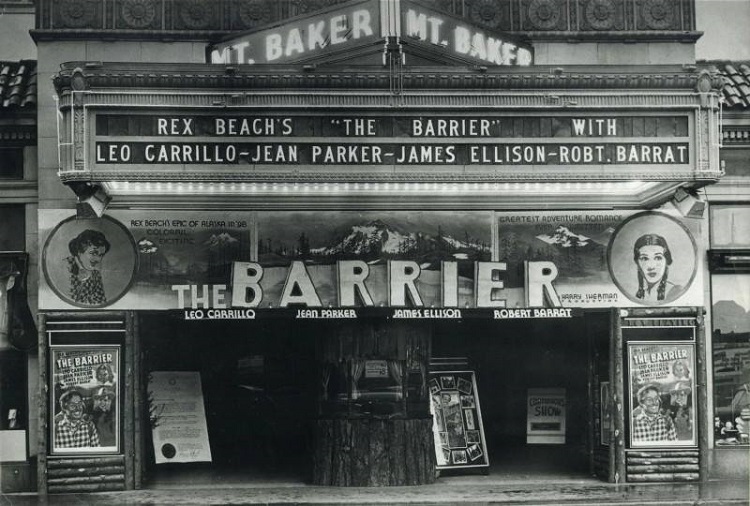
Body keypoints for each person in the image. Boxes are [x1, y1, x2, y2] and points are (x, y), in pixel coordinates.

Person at [632, 234, 683, 303]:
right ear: (637, 263)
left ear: (666, 261)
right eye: (644, 258)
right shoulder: (641, 293)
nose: (651, 266)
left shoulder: (676, 292)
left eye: (658, 258)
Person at [65, 229, 110, 305]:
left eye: (101, 255)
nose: (98, 259)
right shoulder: (65, 266)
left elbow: (100, 302)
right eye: (93, 253)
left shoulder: (95, 274)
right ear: (79, 251)